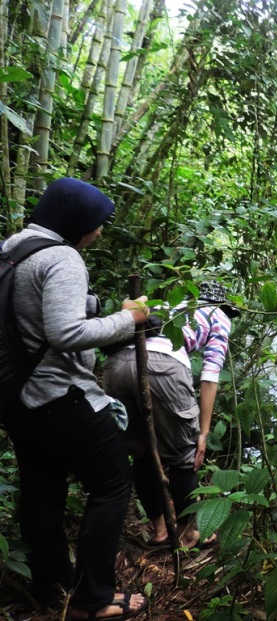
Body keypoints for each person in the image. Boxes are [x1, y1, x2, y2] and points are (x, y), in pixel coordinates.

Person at [3, 178, 149, 619]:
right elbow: (65, 334)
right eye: (97, 223)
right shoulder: (63, 257)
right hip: (58, 395)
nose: (99, 232)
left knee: (41, 494)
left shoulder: (14, 248)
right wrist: (128, 319)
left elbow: (26, 307)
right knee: (112, 485)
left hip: (17, 398)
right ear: (75, 220)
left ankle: (52, 588)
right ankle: (94, 598)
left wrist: (91, 302)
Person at [103, 280, 238, 549]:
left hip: (116, 366)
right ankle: (189, 535)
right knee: (184, 457)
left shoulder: (170, 305)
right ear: (223, 305)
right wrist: (204, 431)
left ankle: (160, 532)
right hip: (163, 365)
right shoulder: (219, 316)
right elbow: (210, 377)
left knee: (142, 454)